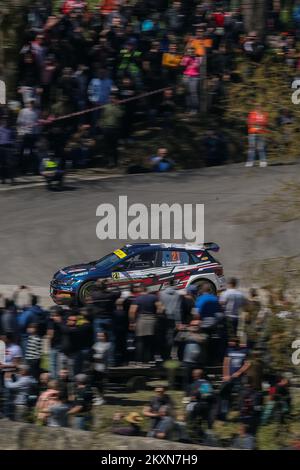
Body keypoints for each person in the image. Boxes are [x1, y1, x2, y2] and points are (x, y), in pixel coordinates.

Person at [129, 286, 161, 363]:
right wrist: (157, 316)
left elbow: (132, 311)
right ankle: (150, 359)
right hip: (152, 320)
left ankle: (139, 360)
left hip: (141, 320)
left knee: (140, 341)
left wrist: (132, 322)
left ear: (141, 290)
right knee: (150, 341)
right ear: (147, 290)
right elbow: (160, 308)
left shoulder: (137, 298)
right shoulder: (154, 297)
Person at [246, 102, 268, 167]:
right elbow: (250, 122)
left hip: (261, 133)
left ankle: (263, 161)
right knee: (251, 148)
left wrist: (257, 123)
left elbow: (264, 123)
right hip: (252, 133)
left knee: (261, 148)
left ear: (261, 107)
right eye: (256, 106)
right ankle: (250, 162)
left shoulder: (264, 114)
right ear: (255, 107)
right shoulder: (251, 114)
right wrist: (258, 123)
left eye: (259, 106)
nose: (258, 107)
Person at [92, 331, 111, 405]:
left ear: (106, 336)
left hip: (103, 369)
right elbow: (92, 354)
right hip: (95, 367)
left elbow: (102, 356)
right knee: (94, 384)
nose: (100, 337)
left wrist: (95, 355)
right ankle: (98, 397)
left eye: (102, 336)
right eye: (98, 336)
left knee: (101, 385)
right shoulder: (96, 344)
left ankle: (101, 399)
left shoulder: (108, 345)